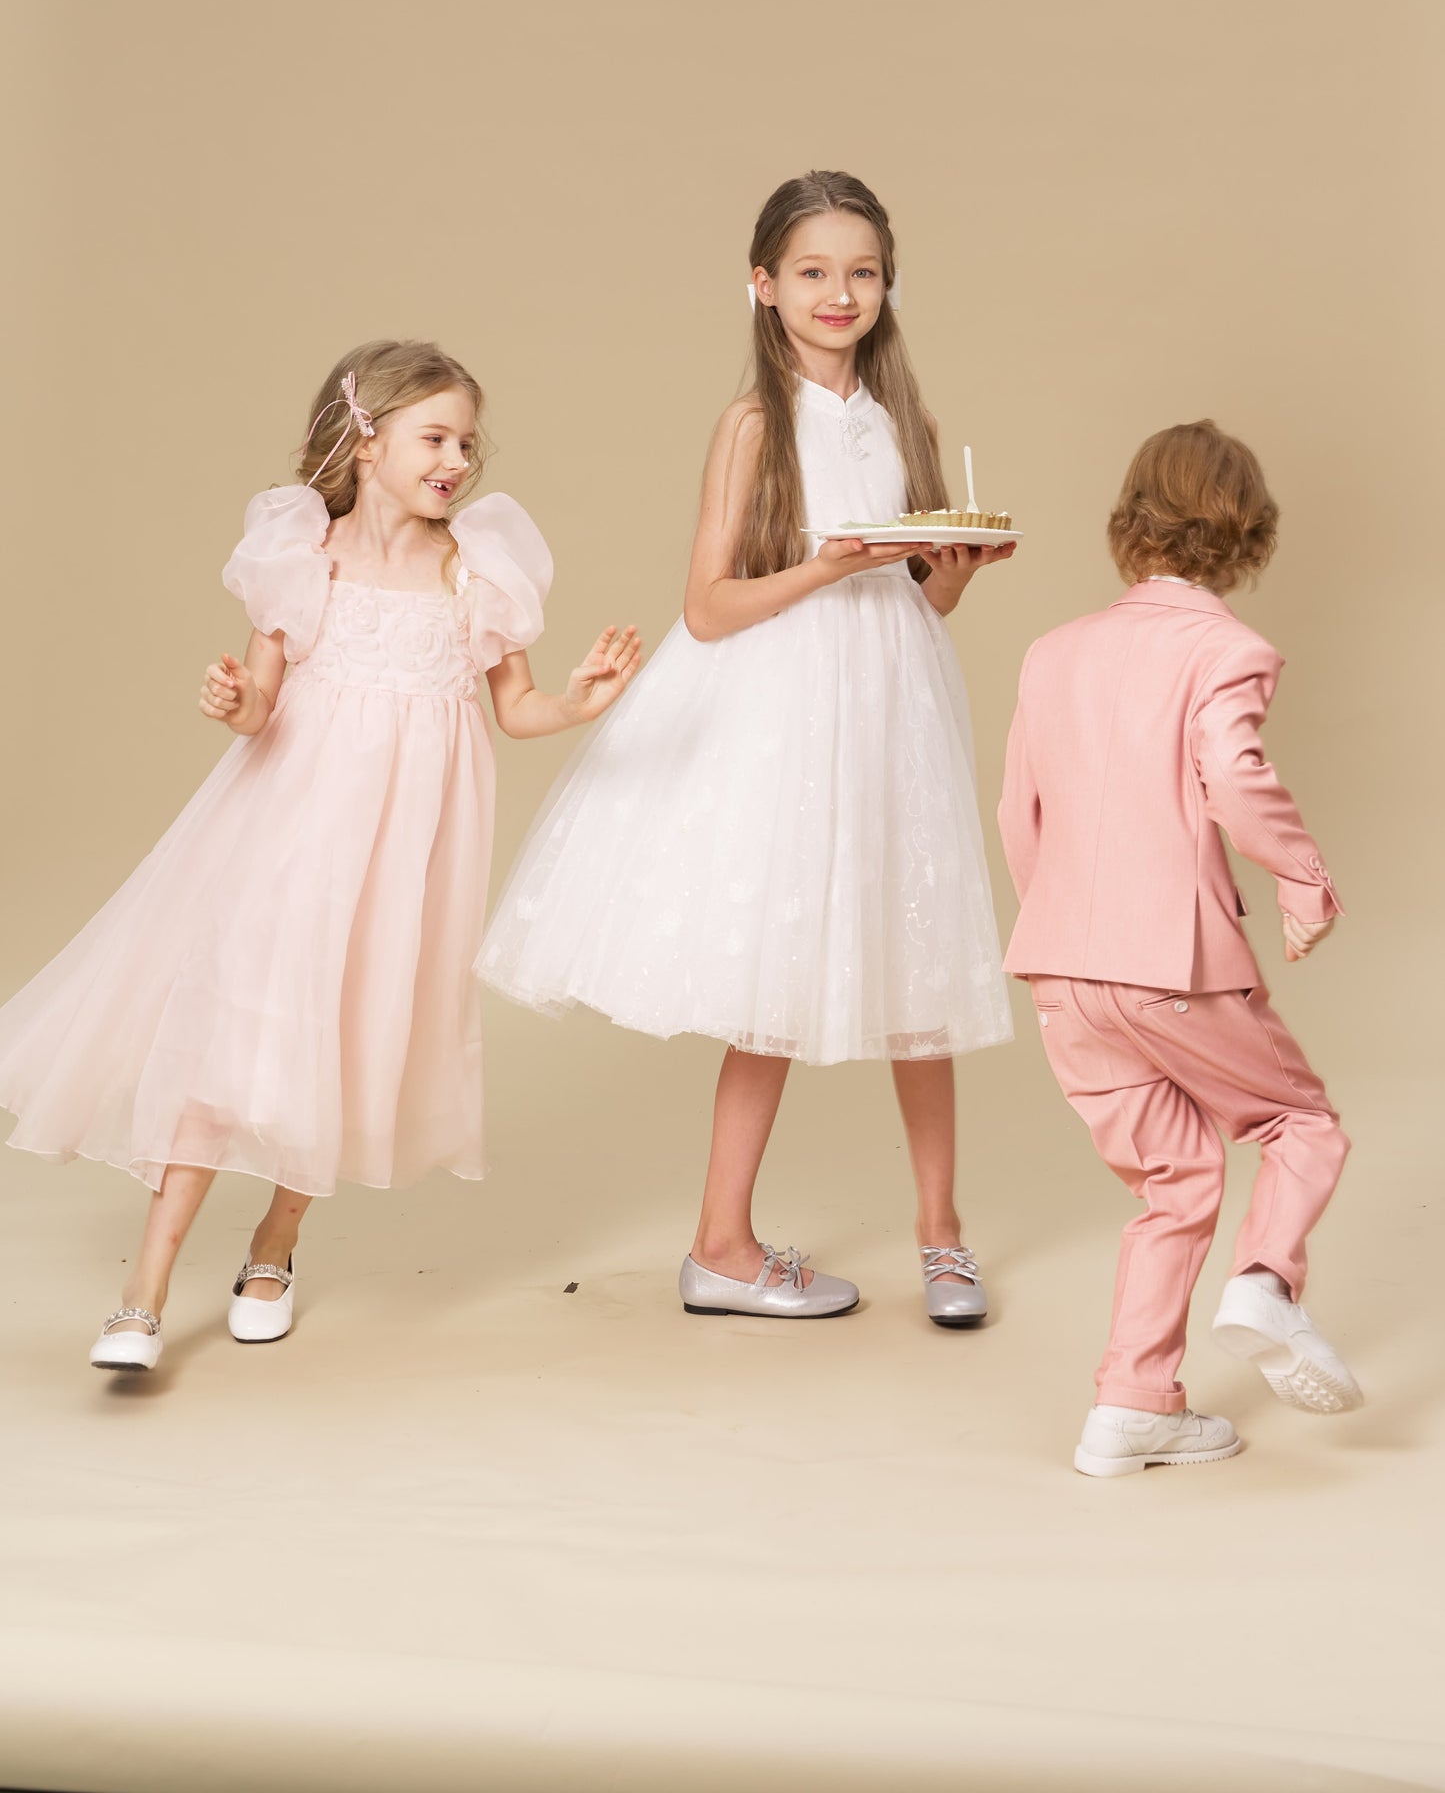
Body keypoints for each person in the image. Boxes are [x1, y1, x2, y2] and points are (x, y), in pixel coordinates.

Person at [0, 339, 640, 1372]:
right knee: (229, 1025)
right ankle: (147, 1283)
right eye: (434, 435)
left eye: (467, 440)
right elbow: (261, 705)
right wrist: (233, 702)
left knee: (350, 1028)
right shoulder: (305, 551)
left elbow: (513, 707)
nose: (456, 458)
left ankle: (276, 1241)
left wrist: (576, 701)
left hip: (413, 841)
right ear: (368, 434)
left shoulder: (475, 566)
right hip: (291, 825)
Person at [481, 171, 1015, 1322]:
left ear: (887, 285)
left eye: (862, 271)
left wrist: (948, 578)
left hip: (890, 702)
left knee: (913, 949)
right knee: (774, 969)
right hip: (784, 709)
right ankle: (719, 1243)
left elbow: (918, 597)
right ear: (763, 285)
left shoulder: (899, 420)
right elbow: (709, 606)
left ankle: (942, 1232)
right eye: (813, 270)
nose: (840, 291)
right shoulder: (753, 423)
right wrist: (825, 564)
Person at [998, 419, 1359, 1478]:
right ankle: (1264, 1281)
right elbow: (1232, 775)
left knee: (1171, 1177)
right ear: (1245, 530)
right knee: (1299, 1122)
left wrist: (1068, 927)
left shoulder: (1050, 651)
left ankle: (1132, 1403)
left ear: (1130, 518)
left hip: (1059, 960)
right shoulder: (1225, 649)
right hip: (1171, 959)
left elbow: (1019, 812)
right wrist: (1300, 876)